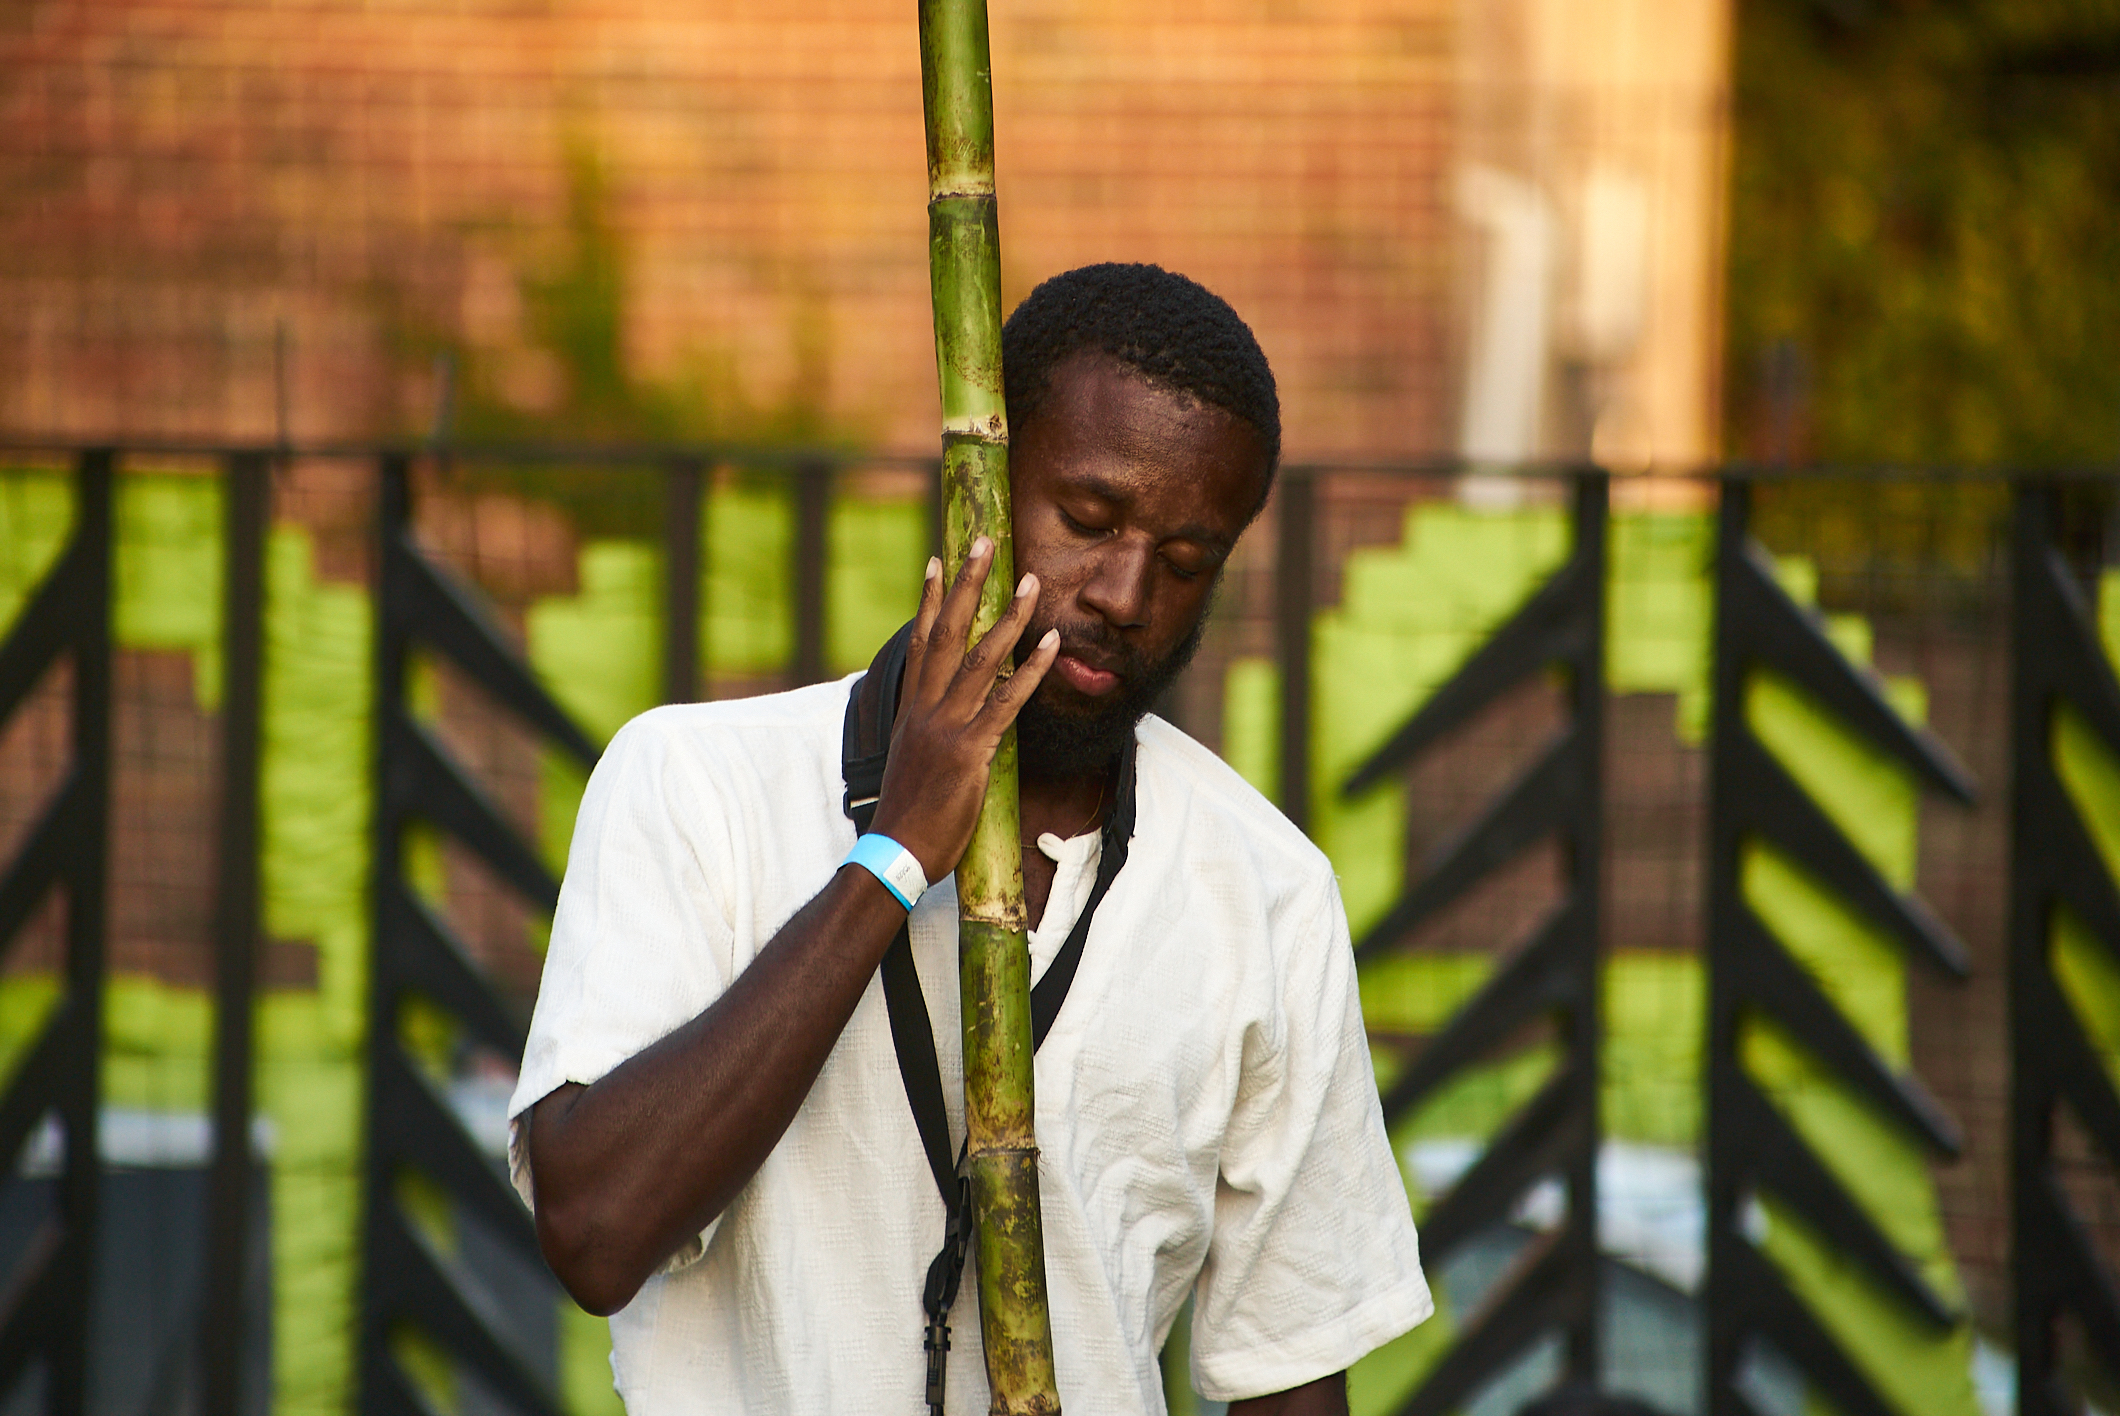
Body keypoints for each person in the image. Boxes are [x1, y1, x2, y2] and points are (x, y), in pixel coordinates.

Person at [507, 263, 1431, 1415]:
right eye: (1088, 521)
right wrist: (889, 863)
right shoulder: (696, 786)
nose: (1125, 592)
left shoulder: (1264, 888)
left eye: (1187, 561)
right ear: (974, 485)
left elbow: (1290, 1375)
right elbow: (594, 1233)